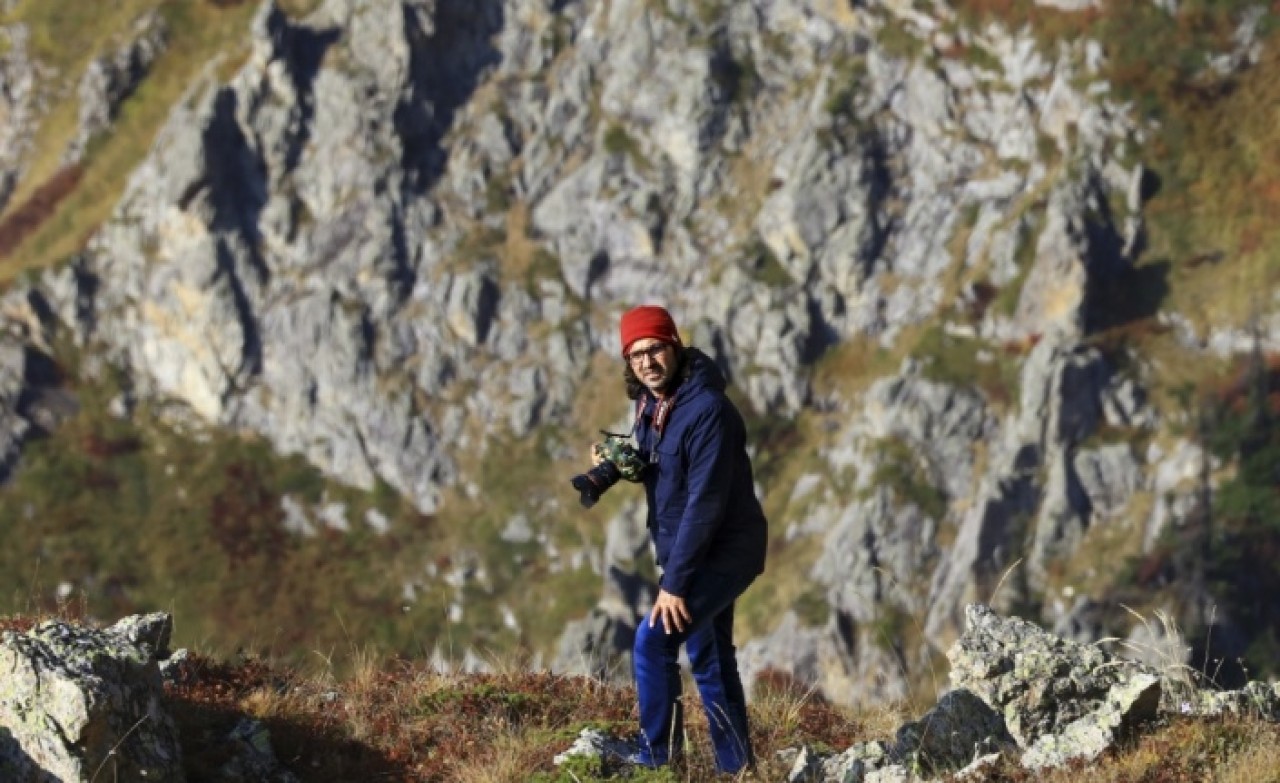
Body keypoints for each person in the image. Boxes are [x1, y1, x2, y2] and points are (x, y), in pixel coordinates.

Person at [606, 304, 769, 774]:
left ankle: (657, 760)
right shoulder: (654, 403)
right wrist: (602, 475)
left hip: (722, 552)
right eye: (635, 355)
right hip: (693, 552)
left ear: (674, 345)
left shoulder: (708, 412)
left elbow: (706, 503)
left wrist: (674, 584)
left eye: (654, 348)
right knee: (710, 656)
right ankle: (736, 769)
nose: (646, 362)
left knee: (653, 641)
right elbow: (648, 459)